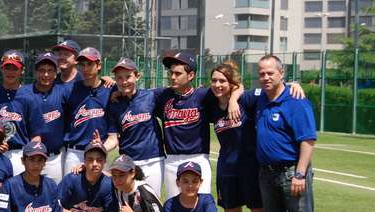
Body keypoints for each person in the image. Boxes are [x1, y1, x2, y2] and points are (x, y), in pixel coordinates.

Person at [255, 54, 318, 212]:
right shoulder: (260, 99)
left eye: (270, 73)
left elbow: (308, 140)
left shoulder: (296, 100)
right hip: (266, 175)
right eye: (261, 73)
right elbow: (235, 89)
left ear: (282, 73)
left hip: (292, 173)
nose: (266, 77)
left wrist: (300, 173)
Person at [207, 62, 272, 212]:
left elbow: (271, 90)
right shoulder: (211, 104)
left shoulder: (247, 100)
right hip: (227, 170)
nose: (217, 84)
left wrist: (235, 97)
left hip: (251, 170)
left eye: (222, 81)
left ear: (232, 83)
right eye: (214, 80)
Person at [154, 51, 241, 198]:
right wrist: (108, 84)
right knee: (175, 209)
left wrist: (233, 100)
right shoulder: (162, 95)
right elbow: (136, 93)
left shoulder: (204, 95)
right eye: (171, 73)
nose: (172, 77)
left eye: (178, 73)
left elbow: (237, 85)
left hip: (198, 158)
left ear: (191, 75)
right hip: (172, 160)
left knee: (201, 206)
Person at [104, 57, 166, 194]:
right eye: (119, 78)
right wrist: (100, 147)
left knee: (152, 202)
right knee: (128, 205)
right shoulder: (114, 105)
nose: (124, 81)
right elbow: (113, 139)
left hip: (153, 160)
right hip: (127, 163)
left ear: (137, 76)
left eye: (128, 76)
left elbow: (175, 89)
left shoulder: (151, 96)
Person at [0, 50, 45, 175]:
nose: (10, 72)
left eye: (15, 68)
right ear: (1, 68)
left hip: (20, 154)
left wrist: (30, 157)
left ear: (22, 70)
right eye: (7, 67)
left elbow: (36, 134)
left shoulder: (30, 97)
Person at [62, 47, 113, 175]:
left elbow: (114, 136)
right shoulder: (70, 90)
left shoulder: (110, 91)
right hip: (75, 153)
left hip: (100, 152)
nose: (85, 69)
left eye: (90, 64)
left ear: (99, 65)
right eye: (82, 65)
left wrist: (101, 148)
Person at [22, 52, 68, 183]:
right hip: (29, 158)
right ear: (36, 72)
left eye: (50, 71)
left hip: (54, 158)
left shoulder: (63, 91)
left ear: (56, 73)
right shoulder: (24, 92)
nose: (46, 75)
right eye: (42, 70)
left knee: (55, 196)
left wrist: (107, 82)